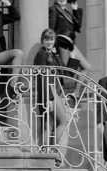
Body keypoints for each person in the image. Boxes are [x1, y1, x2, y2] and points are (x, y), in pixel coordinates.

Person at [33, 29, 81, 163]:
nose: (49, 42)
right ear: (42, 41)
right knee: (63, 122)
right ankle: (55, 153)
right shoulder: (41, 54)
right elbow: (41, 77)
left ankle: (46, 153)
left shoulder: (53, 55)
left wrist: (72, 56)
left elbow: (66, 74)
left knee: (51, 124)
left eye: (51, 39)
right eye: (47, 39)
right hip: (50, 91)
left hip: (56, 92)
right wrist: (48, 98)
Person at [49, 0, 91, 96]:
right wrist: (52, 46)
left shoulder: (67, 12)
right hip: (61, 45)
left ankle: (75, 93)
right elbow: (51, 29)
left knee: (86, 67)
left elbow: (77, 27)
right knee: (65, 73)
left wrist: (75, 10)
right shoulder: (53, 10)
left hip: (71, 45)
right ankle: (60, 97)